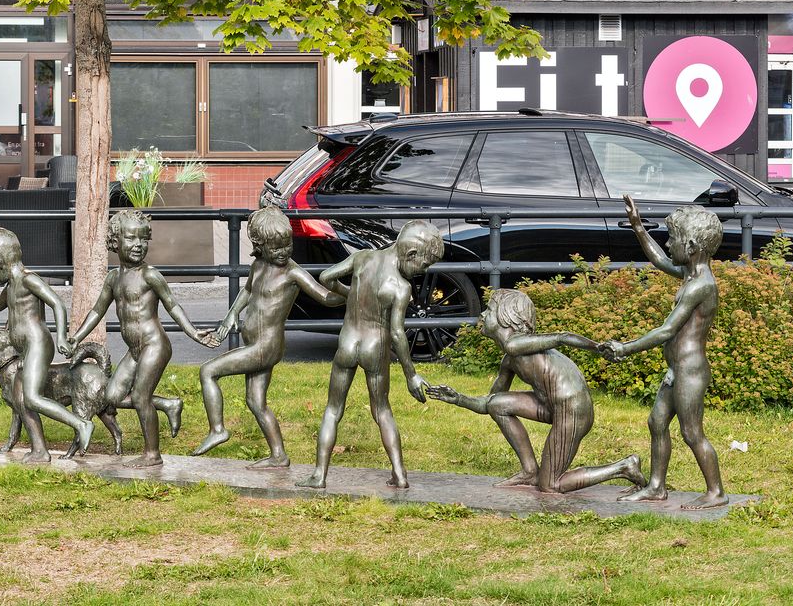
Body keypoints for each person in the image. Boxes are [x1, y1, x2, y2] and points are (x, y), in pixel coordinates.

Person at [426, 289, 646, 493]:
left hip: (573, 410)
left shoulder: (515, 345)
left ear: (507, 318)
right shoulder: (510, 358)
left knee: (550, 485)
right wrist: (458, 399)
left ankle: (623, 467)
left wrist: (597, 347)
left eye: (490, 309)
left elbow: (561, 337)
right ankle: (530, 471)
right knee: (497, 404)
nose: (483, 313)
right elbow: (489, 403)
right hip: (553, 405)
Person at [599, 196, 728, 510]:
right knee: (657, 423)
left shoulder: (702, 286)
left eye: (673, 239)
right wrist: (638, 227)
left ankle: (716, 492)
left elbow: (667, 331)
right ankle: (656, 487)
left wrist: (626, 348)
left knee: (691, 432)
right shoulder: (690, 275)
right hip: (677, 370)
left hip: (690, 371)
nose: (669, 244)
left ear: (693, 245)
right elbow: (659, 260)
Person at [192, 206, 345, 467]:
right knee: (255, 401)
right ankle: (279, 455)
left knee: (208, 371)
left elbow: (325, 297)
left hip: (266, 346)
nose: (284, 252)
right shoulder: (259, 265)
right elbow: (248, 291)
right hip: (255, 342)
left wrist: (349, 293)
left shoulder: (293, 272)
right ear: (259, 246)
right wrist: (232, 315)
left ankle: (218, 429)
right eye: (276, 248)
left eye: (288, 245)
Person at [297, 220, 444, 489]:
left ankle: (319, 475)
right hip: (375, 347)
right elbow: (398, 334)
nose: (423, 271)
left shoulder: (362, 258)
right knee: (382, 410)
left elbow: (326, 278)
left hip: (348, 342)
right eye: (424, 265)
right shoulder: (401, 287)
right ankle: (399, 475)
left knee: (332, 409)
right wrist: (411, 375)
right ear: (411, 254)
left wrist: (350, 294)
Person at [68, 210, 218, 468]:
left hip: (154, 345)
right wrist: (77, 337)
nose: (138, 245)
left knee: (139, 398)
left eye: (143, 239)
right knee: (112, 396)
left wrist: (194, 332)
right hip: (135, 350)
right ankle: (168, 405)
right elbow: (97, 310)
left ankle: (152, 454)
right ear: (115, 242)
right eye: (130, 239)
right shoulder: (113, 278)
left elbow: (173, 306)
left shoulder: (150, 275)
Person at [0, 227, 90, 463]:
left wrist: (62, 336)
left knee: (31, 398)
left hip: (38, 345)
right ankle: (40, 450)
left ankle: (80, 424)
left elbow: (57, 304)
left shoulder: (28, 279)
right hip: (26, 348)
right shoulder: (11, 285)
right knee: (21, 401)